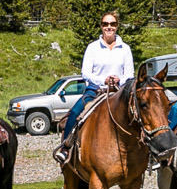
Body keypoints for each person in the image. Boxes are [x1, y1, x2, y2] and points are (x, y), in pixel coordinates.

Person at [53, 11, 134, 164]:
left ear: (117, 26)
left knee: (139, 113)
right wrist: (103, 79)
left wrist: (119, 79)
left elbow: (129, 75)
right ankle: (66, 147)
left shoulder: (125, 49)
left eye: (112, 24)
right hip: (96, 90)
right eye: (105, 24)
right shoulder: (92, 48)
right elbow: (86, 73)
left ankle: (146, 150)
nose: (109, 27)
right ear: (101, 26)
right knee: (76, 111)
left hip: (119, 91)